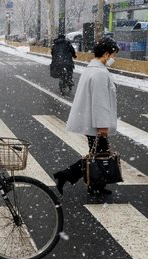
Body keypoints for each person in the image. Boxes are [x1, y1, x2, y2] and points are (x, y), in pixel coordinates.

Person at [53, 37, 120, 196]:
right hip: (95, 122)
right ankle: (66, 175)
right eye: (113, 55)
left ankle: (95, 185)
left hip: (90, 120)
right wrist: (102, 125)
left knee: (97, 154)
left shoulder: (93, 70)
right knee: (98, 155)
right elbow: (100, 101)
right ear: (105, 54)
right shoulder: (99, 74)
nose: (113, 59)